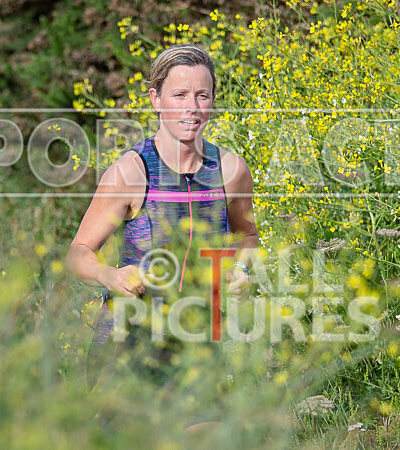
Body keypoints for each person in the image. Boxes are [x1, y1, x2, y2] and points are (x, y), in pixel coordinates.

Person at [64, 44, 259, 432]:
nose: (192, 107)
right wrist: (110, 276)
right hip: (129, 342)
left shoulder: (232, 170)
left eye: (202, 95)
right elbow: (78, 253)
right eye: (180, 95)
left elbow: (247, 236)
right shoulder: (131, 172)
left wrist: (241, 271)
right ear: (155, 98)